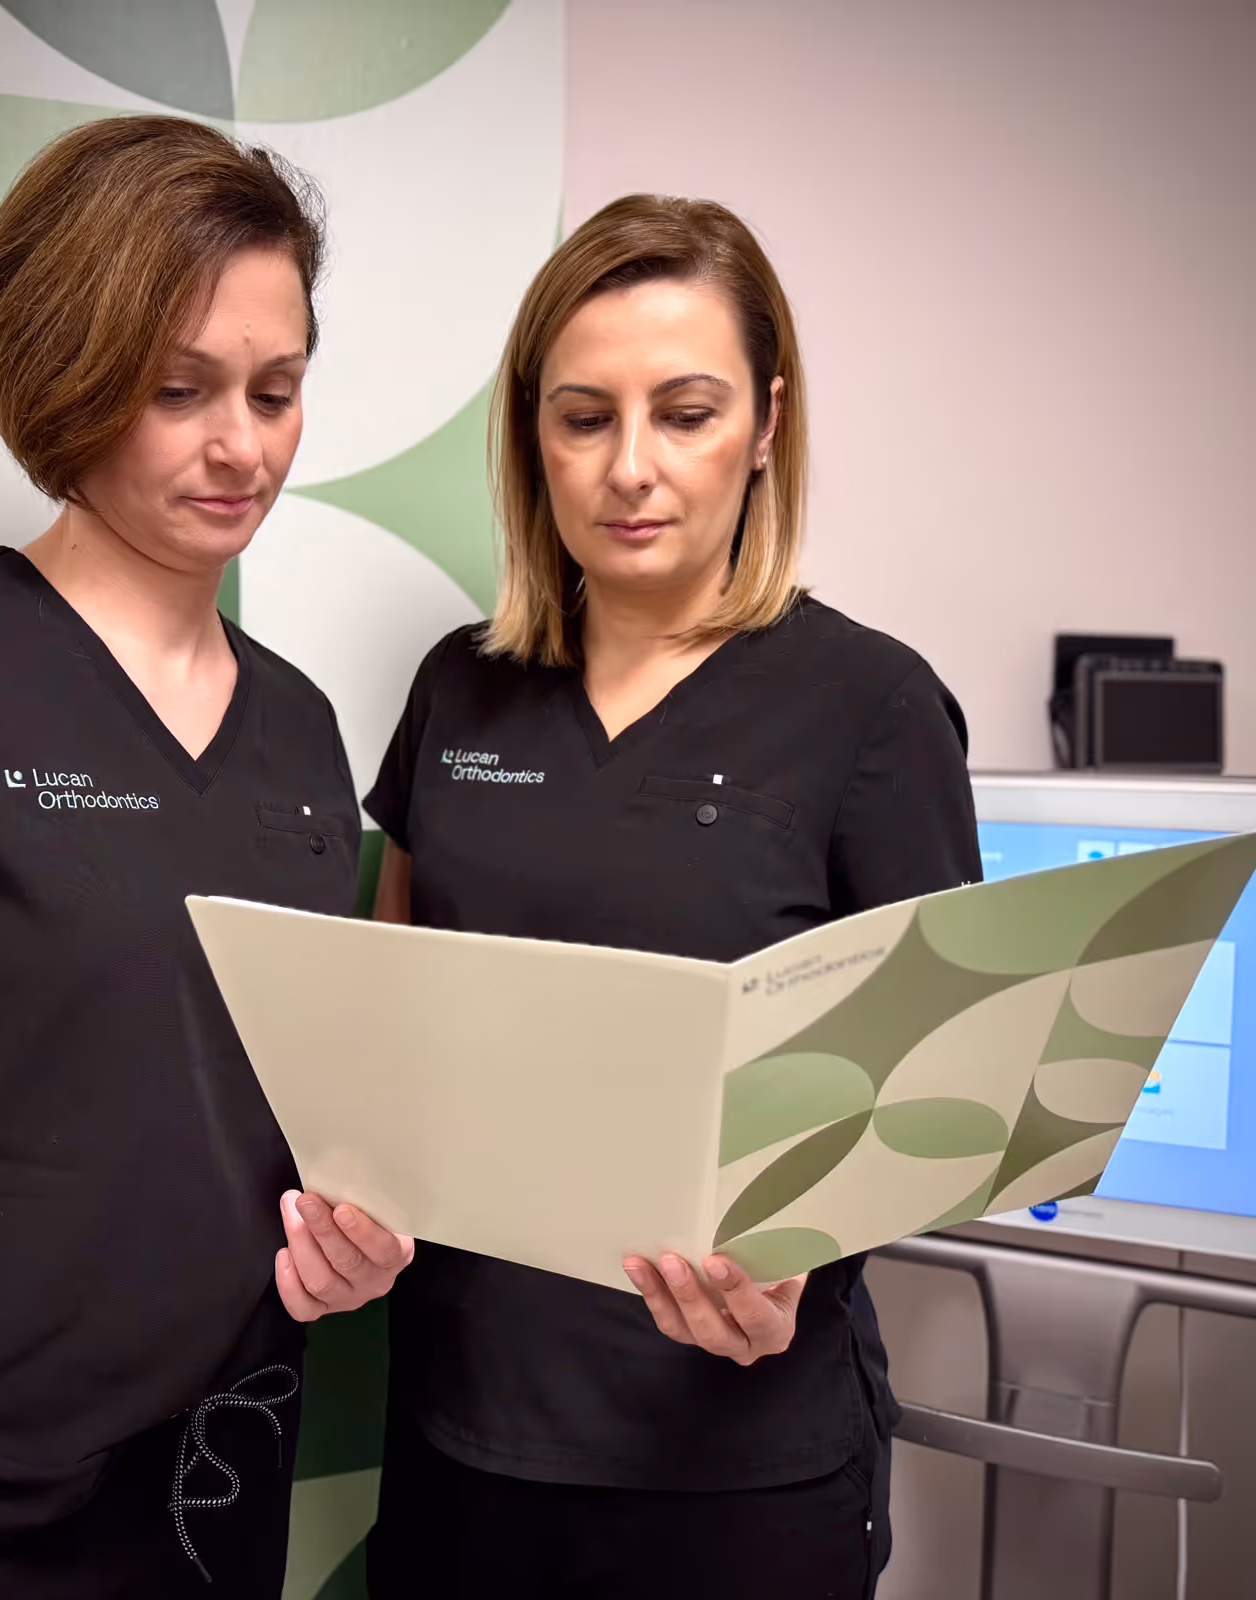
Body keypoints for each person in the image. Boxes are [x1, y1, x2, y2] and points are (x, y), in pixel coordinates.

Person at [0, 116, 409, 1600]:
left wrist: (367, 1241)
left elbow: (305, 1132)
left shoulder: (305, 730)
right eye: (178, 389)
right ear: (66, 377)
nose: (241, 445)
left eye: (276, 388)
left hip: (218, 1491)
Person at [341, 194, 981, 1598]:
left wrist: (801, 1259)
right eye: (584, 417)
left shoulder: (870, 707)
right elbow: (384, 1023)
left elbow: (938, 1092)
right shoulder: (462, 688)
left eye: (684, 413)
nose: (630, 467)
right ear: (534, 437)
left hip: (734, 1465)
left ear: (766, 421)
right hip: (467, 1440)